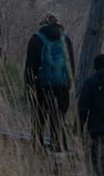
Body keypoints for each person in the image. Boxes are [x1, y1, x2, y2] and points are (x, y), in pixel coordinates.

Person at [24, 12, 75, 152]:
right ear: (58, 23)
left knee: (38, 122)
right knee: (58, 122)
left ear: (43, 24)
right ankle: (59, 153)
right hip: (62, 88)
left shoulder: (36, 39)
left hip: (42, 88)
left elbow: (30, 67)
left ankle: (36, 152)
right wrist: (68, 85)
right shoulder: (66, 40)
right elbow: (71, 66)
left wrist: (28, 88)